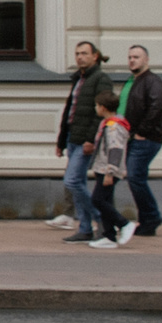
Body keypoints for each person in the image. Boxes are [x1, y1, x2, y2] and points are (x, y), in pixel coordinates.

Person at [53, 41, 111, 242]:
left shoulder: (100, 79)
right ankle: (85, 228)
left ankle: (104, 218)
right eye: (77, 53)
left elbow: (101, 114)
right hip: (73, 137)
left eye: (84, 53)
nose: (80, 57)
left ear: (95, 56)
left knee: (72, 181)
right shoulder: (79, 78)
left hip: (85, 140)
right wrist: (61, 141)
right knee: (77, 183)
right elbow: (70, 111)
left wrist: (91, 139)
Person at [122, 44, 162, 240]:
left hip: (146, 138)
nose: (132, 60)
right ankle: (147, 220)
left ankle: (151, 218)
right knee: (136, 177)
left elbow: (156, 107)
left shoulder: (152, 81)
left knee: (135, 177)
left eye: (137, 57)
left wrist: (142, 132)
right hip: (133, 137)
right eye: (130, 57)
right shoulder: (133, 81)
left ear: (146, 60)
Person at [86, 84, 135, 248]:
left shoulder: (114, 126)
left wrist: (110, 172)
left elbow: (115, 150)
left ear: (103, 107)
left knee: (97, 199)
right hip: (103, 168)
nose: (95, 108)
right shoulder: (108, 123)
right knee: (105, 201)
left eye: (97, 105)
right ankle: (109, 236)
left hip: (109, 170)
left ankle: (124, 224)